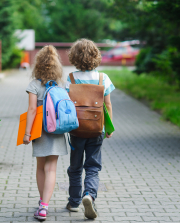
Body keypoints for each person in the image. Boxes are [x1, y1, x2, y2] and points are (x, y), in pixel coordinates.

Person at [65, 39, 115, 219]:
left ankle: (74, 202)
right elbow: (107, 105)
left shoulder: (70, 78)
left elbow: (66, 105)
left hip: (77, 129)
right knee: (93, 166)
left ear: (74, 57)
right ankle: (90, 195)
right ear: (96, 56)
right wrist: (108, 128)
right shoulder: (103, 78)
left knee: (75, 167)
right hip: (96, 129)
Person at [23, 45, 68, 221]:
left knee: (41, 167)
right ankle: (45, 206)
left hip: (40, 130)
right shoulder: (61, 85)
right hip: (57, 129)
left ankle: (42, 202)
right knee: (51, 168)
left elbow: (32, 110)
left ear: (38, 65)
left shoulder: (34, 85)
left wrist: (27, 134)